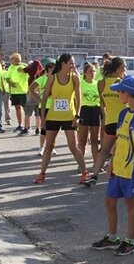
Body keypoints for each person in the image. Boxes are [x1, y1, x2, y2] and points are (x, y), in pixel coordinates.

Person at [90, 75, 134, 257]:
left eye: (119, 92)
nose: (117, 95)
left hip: (130, 168)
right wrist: (112, 163)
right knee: (109, 201)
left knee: (130, 204)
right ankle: (113, 237)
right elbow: (117, 141)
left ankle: (131, 241)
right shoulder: (123, 113)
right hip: (118, 167)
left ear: (128, 94)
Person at [34, 54, 89, 184]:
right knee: (49, 146)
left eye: (74, 63)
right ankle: (42, 174)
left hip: (69, 117)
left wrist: (77, 116)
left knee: (73, 147)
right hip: (53, 116)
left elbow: (78, 99)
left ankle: (85, 173)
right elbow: (45, 98)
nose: (73, 66)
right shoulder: (52, 77)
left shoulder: (75, 78)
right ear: (63, 64)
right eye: (71, 63)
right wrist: (43, 119)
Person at [82, 57, 127, 187]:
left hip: (110, 121)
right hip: (123, 121)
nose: (124, 70)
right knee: (122, 150)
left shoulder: (101, 83)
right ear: (118, 68)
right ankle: (120, 177)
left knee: (104, 151)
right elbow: (127, 101)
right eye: (123, 67)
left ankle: (94, 176)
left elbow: (102, 102)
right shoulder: (121, 82)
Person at [77, 63, 102, 159]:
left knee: (95, 140)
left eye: (94, 71)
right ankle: (81, 164)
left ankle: (96, 162)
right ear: (85, 73)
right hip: (84, 110)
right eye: (90, 71)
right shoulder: (81, 84)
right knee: (82, 141)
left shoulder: (98, 84)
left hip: (96, 110)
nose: (92, 73)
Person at [6, 53, 29, 133]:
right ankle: (20, 125)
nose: (11, 61)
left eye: (12, 59)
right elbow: (7, 78)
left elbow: (26, 72)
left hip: (23, 91)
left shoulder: (24, 66)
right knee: (17, 108)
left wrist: (21, 69)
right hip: (14, 91)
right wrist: (10, 83)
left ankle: (27, 126)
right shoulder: (10, 67)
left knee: (26, 109)